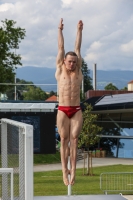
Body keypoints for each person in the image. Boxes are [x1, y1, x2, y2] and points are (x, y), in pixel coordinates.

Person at [55, 18, 83, 186]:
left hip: (76, 109)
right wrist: (60, 30)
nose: (72, 63)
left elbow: (77, 48)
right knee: (64, 139)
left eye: (74, 61)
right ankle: (64, 171)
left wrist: (79, 30)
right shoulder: (60, 70)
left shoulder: (78, 71)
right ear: (64, 61)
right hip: (63, 108)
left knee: (74, 139)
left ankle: (74, 170)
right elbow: (61, 47)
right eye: (69, 61)